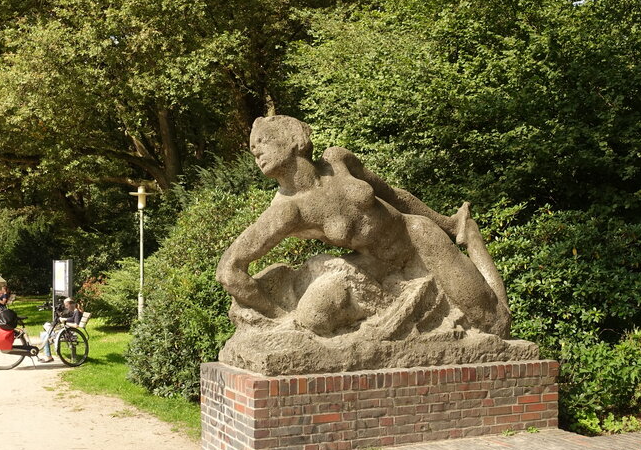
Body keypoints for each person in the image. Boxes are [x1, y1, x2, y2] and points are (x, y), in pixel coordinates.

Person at [217, 115, 510, 336]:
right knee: (314, 316)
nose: (256, 153)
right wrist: (279, 316)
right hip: (372, 267)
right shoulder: (286, 211)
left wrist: (447, 223)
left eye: (263, 142)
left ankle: (471, 236)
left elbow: (394, 195)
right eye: (253, 149)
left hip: (418, 239)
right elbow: (229, 269)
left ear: (293, 138)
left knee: (495, 324)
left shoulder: (337, 160)